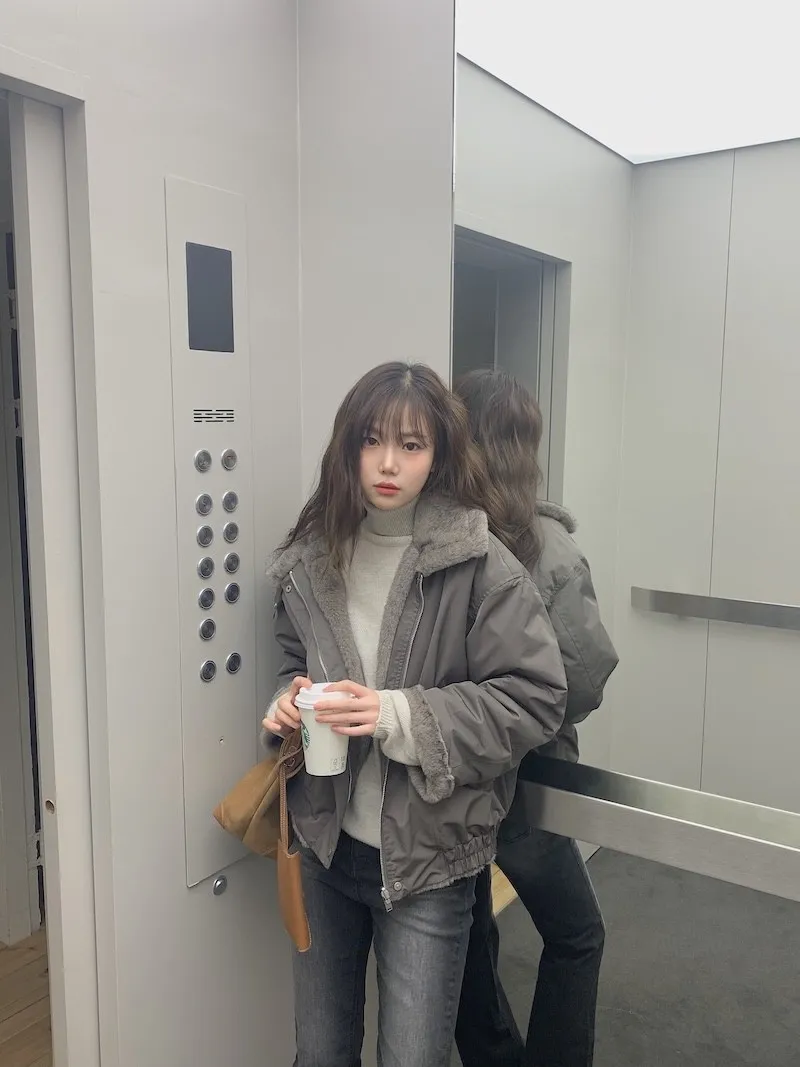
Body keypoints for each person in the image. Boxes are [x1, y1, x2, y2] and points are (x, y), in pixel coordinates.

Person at [262, 361, 569, 1067]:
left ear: (440, 455)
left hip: (430, 861)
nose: (388, 463)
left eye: (411, 444)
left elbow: (534, 697)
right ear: (348, 447)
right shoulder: (313, 559)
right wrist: (285, 700)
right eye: (372, 440)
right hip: (324, 846)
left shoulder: (479, 562)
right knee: (320, 1053)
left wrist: (397, 714)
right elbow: (292, 656)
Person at [454, 369, 619, 1067]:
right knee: (578, 933)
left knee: (466, 927)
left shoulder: (431, 536)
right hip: (528, 777)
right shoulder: (548, 548)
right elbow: (583, 679)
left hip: (448, 773)